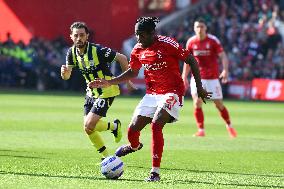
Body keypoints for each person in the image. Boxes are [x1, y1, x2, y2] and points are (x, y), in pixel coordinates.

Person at [88, 17, 212, 181]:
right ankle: (134, 146)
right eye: (136, 35)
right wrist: (109, 82)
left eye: (142, 35)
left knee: (156, 125)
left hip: (172, 92)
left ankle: (155, 172)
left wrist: (200, 86)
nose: (138, 38)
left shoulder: (167, 44)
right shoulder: (137, 49)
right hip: (152, 94)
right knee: (132, 129)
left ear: (152, 33)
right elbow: (133, 72)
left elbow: (191, 59)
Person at [60, 22, 134, 161]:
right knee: (88, 129)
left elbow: (122, 58)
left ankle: (114, 127)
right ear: (71, 37)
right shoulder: (71, 53)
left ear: (87, 36)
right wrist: (64, 73)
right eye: (76, 35)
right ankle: (106, 156)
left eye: (82, 35)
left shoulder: (97, 50)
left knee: (89, 124)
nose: (79, 38)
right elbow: (67, 76)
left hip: (107, 90)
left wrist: (128, 81)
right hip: (91, 92)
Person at [181, 18, 237, 138]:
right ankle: (201, 130)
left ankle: (229, 126)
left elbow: (223, 56)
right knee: (197, 102)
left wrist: (225, 70)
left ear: (206, 28)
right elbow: (187, 61)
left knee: (218, 104)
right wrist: (184, 76)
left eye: (202, 26)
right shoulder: (191, 42)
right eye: (197, 27)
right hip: (197, 79)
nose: (200, 29)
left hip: (212, 79)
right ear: (194, 29)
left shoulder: (213, 41)